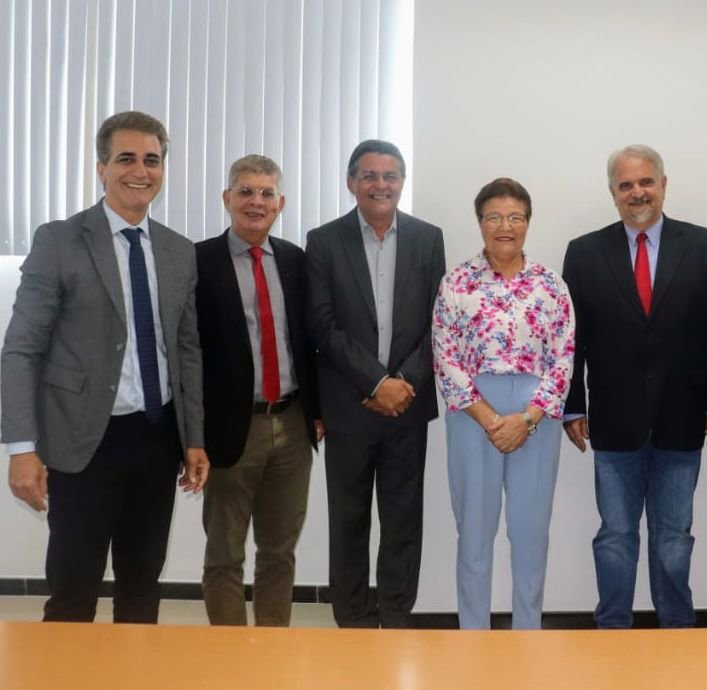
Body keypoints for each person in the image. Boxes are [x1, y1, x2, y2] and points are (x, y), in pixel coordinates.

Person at [2, 110, 209, 623]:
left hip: (156, 439)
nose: (140, 171)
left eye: (152, 160)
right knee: (73, 591)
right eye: (126, 158)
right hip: (81, 442)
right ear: (102, 167)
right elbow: (21, 348)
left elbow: (186, 352)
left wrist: (194, 437)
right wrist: (21, 449)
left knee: (142, 588)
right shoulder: (60, 240)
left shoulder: (179, 252)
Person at [562, 145, 707, 628]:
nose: (637, 193)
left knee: (674, 537)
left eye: (646, 182)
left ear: (664, 184)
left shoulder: (706, 246)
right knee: (615, 536)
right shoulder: (584, 252)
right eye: (626, 185)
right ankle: (612, 627)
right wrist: (571, 406)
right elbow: (569, 340)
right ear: (613, 193)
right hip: (613, 421)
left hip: (682, 418)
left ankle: (677, 629)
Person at [306, 139, 446, 628]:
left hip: (408, 405)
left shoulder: (429, 239)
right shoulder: (323, 241)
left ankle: (396, 616)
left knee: (403, 521)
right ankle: (354, 621)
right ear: (351, 183)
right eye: (369, 175)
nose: (380, 185)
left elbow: (439, 322)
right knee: (348, 522)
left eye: (390, 176)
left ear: (402, 183)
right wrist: (376, 382)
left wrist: (402, 382)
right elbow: (322, 326)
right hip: (350, 407)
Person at [432, 178, 575, 629]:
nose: (505, 226)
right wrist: (490, 417)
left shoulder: (551, 285)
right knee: (474, 531)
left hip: (535, 413)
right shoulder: (456, 281)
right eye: (494, 217)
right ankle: (473, 635)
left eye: (515, 217)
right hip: (474, 412)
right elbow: (445, 354)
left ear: (528, 223)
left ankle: (526, 635)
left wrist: (528, 418)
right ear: (480, 223)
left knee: (530, 534)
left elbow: (564, 358)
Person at [195, 154, 322, 626]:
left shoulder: (294, 260)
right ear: (227, 199)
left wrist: (317, 411)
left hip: (291, 424)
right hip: (231, 429)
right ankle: (230, 661)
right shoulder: (199, 261)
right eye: (246, 191)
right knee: (224, 554)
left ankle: (271, 655)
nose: (256, 201)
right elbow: (188, 353)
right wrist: (193, 434)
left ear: (280, 203)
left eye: (266, 193)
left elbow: (308, 342)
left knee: (279, 552)